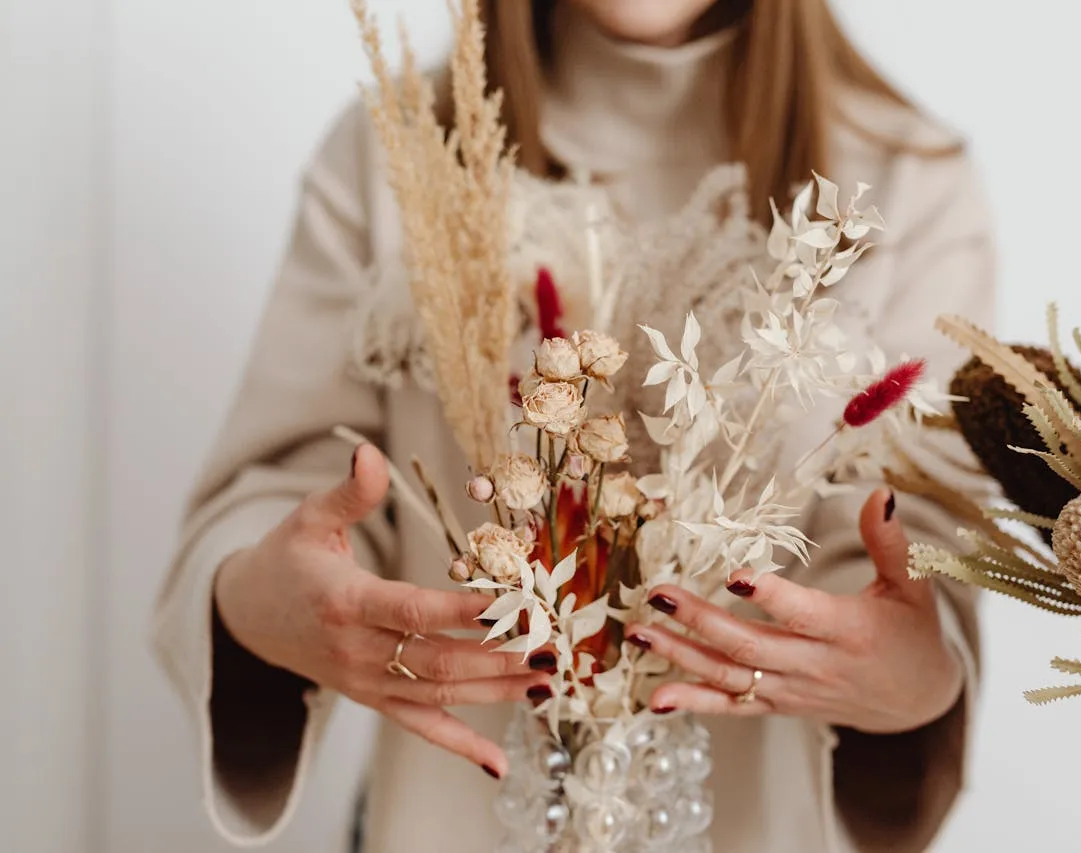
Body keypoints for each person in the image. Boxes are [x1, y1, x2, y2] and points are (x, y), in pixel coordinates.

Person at [152, 0, 995, 851]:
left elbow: (912, 551)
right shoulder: (399, 152)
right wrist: (265, 600)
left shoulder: (904, 181)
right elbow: (287, 495)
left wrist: (910, 675)